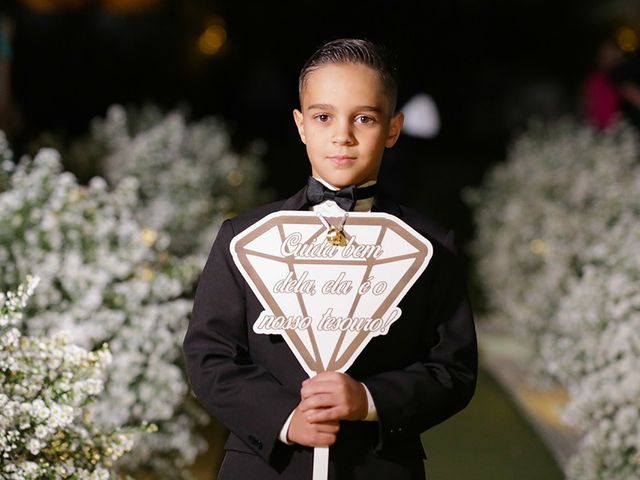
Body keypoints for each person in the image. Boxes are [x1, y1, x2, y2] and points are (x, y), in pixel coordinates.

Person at [183, 38, 477, 480]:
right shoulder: (243, 238)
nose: (343, 135)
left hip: (380, 467)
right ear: (301, 126)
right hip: (265, 467)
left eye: (364, 118)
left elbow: (452, 370)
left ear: (393, 129)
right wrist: (284, 418)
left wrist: (368, 399)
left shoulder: (430, 246)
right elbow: (209, 356)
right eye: (324, 117)